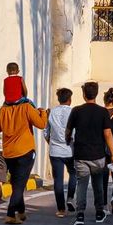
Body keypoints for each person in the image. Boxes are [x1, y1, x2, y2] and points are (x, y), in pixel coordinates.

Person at [0, 96, 48, 225]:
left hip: (8, 152)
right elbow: (41, 124)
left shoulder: (3, 110)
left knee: (16, 182)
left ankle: (21, 211)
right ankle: (10, 214)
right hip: (25, 150)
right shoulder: (27, 106)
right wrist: (43, 113)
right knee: (20, 184)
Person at [66, 81, 113, 225]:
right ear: (96, 94)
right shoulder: (102, 112)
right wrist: (112, 154)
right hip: (98, 155)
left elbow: (68, 131)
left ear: (83, 95)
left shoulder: (76, 110)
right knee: (98, 184)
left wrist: (67, 140)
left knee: (81, 184)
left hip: (81, 154)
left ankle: (80, 214)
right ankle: (99, 212)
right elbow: (107, 133)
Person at [45, 87, 76, 217]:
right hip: (70, 149)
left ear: (59, 99)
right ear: (69, 99)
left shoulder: (52, 112)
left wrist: (51, 143)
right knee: (73, 173)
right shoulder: (73, 112)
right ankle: (70, 197)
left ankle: (61, 209)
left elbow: (46, 133)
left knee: (58, 179)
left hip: (55, 151)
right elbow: (75, 132)